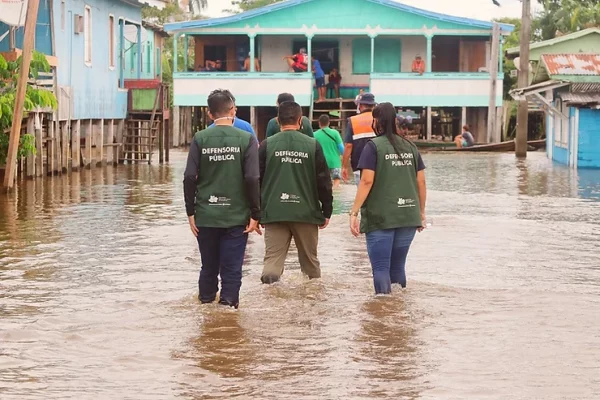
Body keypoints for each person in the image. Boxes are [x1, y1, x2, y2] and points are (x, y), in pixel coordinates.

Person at [183, 89, 261, 309]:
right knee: (232, 269)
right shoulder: (246, 139)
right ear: (233, 110)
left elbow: (189, 177)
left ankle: (206, 307)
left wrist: (190, 212)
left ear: (209, 114)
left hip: (206, 215)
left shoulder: (200, 138)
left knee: (208, 267)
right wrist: (256, 213)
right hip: (236, 216)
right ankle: (227, 313)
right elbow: (252, 178)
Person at [349, 102, 427, 294]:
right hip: (408, 214)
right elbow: (421, 182)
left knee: (381, 268)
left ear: (377, 121)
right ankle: (397, 310)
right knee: (398, 267)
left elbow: (366, 181)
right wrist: (421, 212)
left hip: (381, 216)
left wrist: (354, 212)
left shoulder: (373, 146)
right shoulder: (410, 146)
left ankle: (383, 313)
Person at [259, 101, 333, 284]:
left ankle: (270, 298)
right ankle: (312, 304)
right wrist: (327, 211)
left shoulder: (266, 145)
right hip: (306, 212)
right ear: (300, 120)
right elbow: (324, 181)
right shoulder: (312, 145)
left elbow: (255, 180)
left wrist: (255, 211)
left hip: (274, 212)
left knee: (272, 265)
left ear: (277, 121)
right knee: (311, 269)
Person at [342, 93, 377, 185]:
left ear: (360, 105)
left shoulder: (353, 121)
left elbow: (348, 146)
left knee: (362, 196)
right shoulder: (379, 120)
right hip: (378, 167)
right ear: (373, 106)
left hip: (359, 167)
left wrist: (344, 167)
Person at [314, 114, 344, 189]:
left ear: (319, 123)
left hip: (321, 162)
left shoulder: (314, 134)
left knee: (323, 183)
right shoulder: (335, 133)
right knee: (336, 181)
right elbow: (341, 149)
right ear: (329, 123)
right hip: (335, 162)